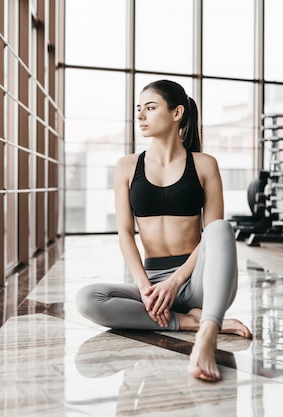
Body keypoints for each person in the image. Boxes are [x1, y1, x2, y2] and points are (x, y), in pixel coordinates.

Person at [75, 79, 252, 382]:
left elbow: (212, 237)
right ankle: (188, 322)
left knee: (221, 229)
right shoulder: (127, 166)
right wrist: (145, 288)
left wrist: (177, 281)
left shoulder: (205, 164)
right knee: (88, 298)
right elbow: (124, 233)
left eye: (150, 107)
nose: (141, 115)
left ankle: (207, 334)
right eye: (138, 109)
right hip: (153, 282)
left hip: (199, 281)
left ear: (177, 113)